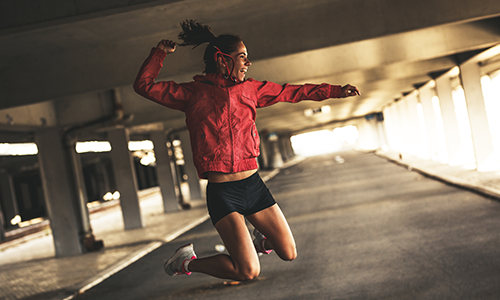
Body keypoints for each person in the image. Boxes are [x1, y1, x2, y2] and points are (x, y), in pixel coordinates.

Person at [133, 20, 360, 281]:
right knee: (248, 271)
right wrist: (159, 53)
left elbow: (293, 92)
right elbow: (144, 85)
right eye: (242, 57)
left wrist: (334, 91)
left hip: (254, 186)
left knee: (289, 252)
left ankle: (262, 242)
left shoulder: (252, 90)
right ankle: (185, 262)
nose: (247, 63)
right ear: (222, 60)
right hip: (223, 194)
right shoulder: (192, 94)